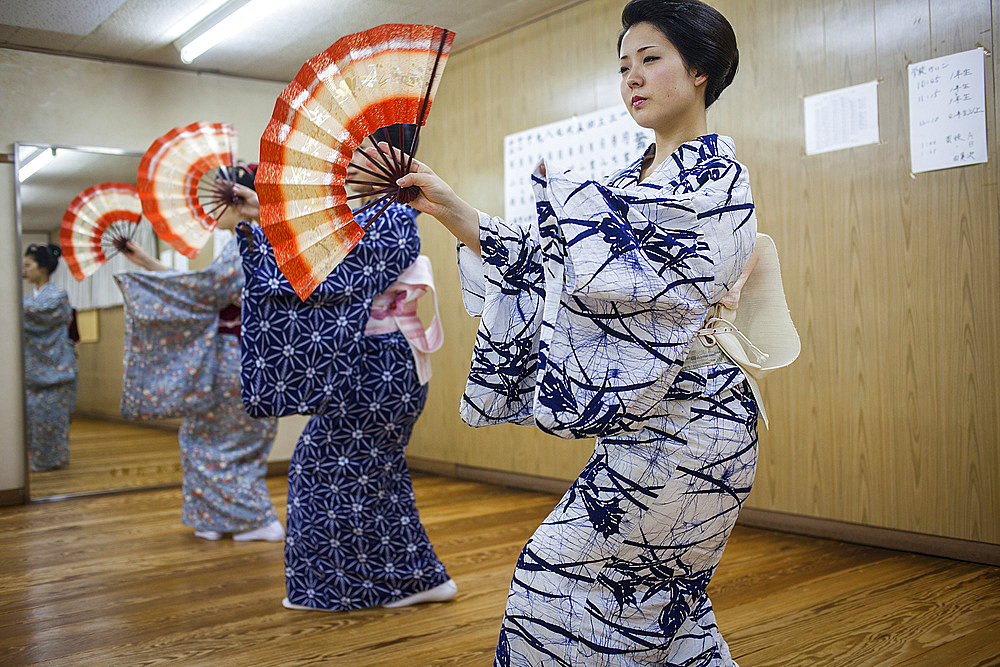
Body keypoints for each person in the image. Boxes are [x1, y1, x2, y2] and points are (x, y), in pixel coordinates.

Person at [388, 0, 757, 663]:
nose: (632, 80)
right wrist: (448, 205)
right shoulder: (624, 181)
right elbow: (544, 261)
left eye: (650, 60)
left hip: (695, 423)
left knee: (554, 586)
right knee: (669, 608)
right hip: (647, 426)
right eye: (623, 67)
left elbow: (621, 275)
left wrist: (570, 213)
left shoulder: (719, 181)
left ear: (700, 70)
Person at [236, 125, 454, 611]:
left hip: (380, 367)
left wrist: (263, 231)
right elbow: (313, 254)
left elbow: (333, 273)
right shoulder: (362, 214)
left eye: (361, 149)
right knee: (375, 474)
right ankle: (416, 578)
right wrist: (258, 214)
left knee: (322, 466)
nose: (348, 158)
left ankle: (341, 587)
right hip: (372, 366)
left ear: (390, 156)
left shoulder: (395, 213)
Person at [119, 166, 284, 542]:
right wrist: (146, 262)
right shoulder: (263, 239)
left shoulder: (251, 240)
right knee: (232, 439)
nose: (212, 208)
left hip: (237, 357)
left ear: (238, 199)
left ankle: (253, 519)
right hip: (257, 357)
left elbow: (201, 291)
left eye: (219, 198)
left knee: (213, 438)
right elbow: (203, 289)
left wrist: (145, 269)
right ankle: (221, 518)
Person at [22, 243, 78, 472]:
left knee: (54, 418)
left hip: (58, 369)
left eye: (28, 265)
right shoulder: (27, 299)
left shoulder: (58, 295)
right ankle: (38, 460)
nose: (24, 270)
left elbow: (34, 317)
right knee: (34, 418)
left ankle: (54, 460)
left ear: (42, 268)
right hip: (33, 369)